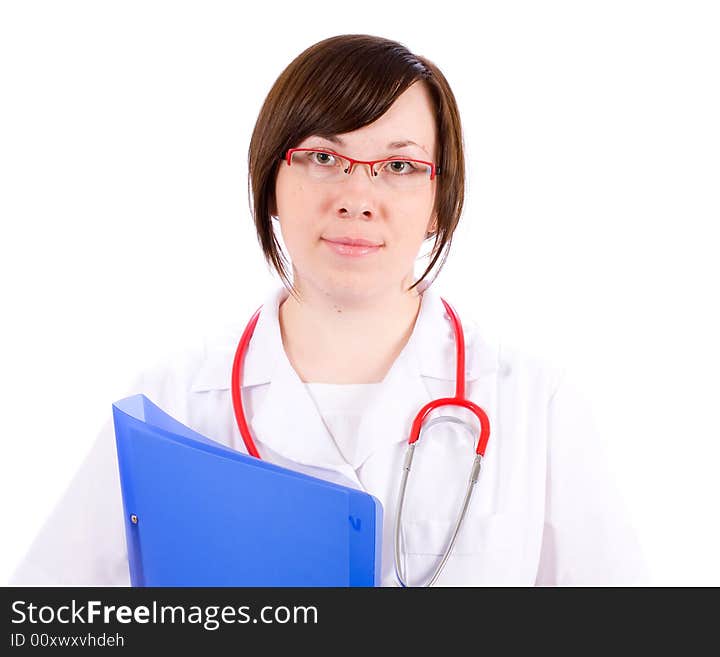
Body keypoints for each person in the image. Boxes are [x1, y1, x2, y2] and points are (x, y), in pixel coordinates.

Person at [9, 34, 647, 587]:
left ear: (439, 200)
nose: (357, 197)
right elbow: (52, 616)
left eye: (398, 165)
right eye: (322, 157)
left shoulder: (534, 402)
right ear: (271, 185)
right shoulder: (172, 404)